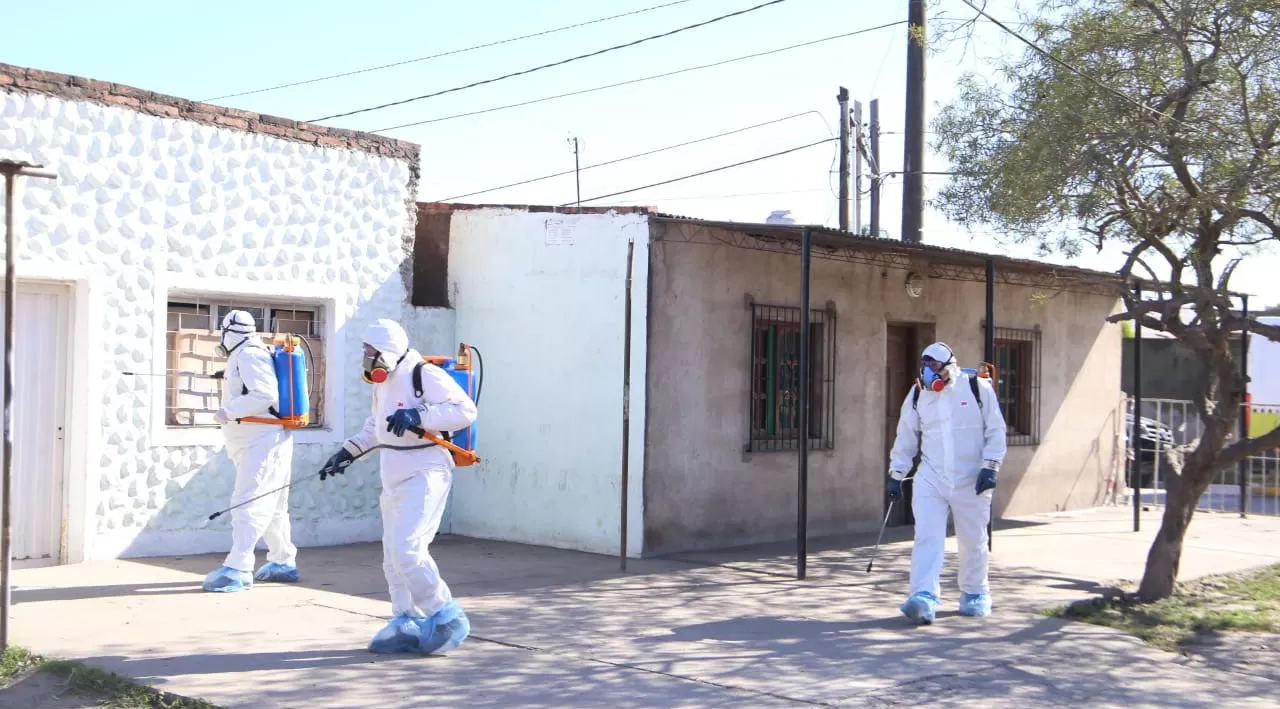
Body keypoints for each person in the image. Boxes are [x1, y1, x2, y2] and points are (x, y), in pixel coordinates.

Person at [319, 319, 477, 655]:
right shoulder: (384, 383)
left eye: (369, 351)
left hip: (426, 470)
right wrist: (346, 453)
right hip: (392, 471)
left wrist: (420, 417)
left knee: (409, 549)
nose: (365, 357)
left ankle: (445, 614)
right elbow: (375, 428)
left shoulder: (425, 375)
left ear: (387, 351)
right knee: (392, 555)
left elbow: (465, 411)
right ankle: (406, 620)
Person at [886, 341, 1007, 625]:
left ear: (949, 366)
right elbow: (905, 437)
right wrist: (896, 475)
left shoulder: (978, 388)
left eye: (933, 365)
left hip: (971, 478)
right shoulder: (918, 394)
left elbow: (996, 430)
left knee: (973, 539)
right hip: (931, 477)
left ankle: (975, 593)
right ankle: (923, 596)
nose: (928, 371)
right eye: (924, 364)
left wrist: (990, 466)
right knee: (927, 537)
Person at [202, 310, 300, 593]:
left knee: (249, 501)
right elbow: (252, 387)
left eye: (222, 331)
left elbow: (265, 395)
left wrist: (229, 410)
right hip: (258, 441)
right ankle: (283, 561)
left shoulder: (249, 354)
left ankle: (238, 567)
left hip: (262, 442)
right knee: (273, 505)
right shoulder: (244, 354)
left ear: (230, 331)